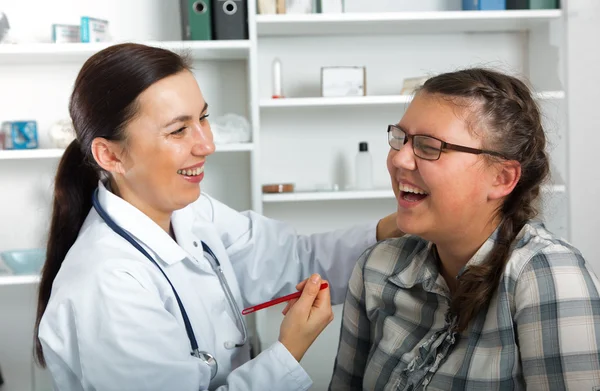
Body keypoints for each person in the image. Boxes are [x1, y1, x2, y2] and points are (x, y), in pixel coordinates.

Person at [33, 43, 402, 391]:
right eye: (178, 130)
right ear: (111, 156)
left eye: (203, 118)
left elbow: (296, 260)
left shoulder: (192, 211)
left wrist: (394, 228)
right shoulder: (107, 285)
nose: (207, 144)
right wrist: (288, 352)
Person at [329, 68, 600, 390]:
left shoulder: (547, 275)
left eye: (430, 146)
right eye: (400, 138)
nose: (399, 159)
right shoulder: (376, 267)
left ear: (501, 178)